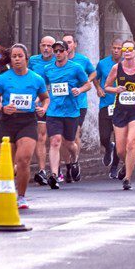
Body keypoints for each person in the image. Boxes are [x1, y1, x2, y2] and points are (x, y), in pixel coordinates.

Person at [0, 44, 49, 209]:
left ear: (26, 58)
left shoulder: (36, 78)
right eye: (14, 56)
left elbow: (45, 97)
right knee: (6, 162)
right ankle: (6, 193)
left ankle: (21, 196)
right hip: (7, 122)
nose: (16, 59)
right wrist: (2, 108)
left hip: (28, 121)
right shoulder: (4, 78)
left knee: (23, 160)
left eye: (19, 56)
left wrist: (43, 108)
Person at [103, 40, 135, 190]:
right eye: (124, 49)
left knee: (131, 143)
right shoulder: (116, 68)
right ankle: (126, 165)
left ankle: (127, 178)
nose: (126, 52)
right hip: (120, 110)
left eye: (129, 49)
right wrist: (116, 90)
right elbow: (106, 86)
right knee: (120, 149)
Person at [43, 40, 92, 188]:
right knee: (55, 141)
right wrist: (42, 99)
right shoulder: (48, 69)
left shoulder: (75, 68)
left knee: (70, 143)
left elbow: (87, 84)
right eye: (55, 51)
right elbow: (43, 86)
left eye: (60, 50)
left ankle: (75, 160)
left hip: (71, 111)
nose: (58, 53)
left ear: (66, 51)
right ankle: (54, 174)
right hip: (53, 111)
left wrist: (79, 90)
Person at [61, 33, 97, 181]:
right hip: (60, 105)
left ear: (75, 44)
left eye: (69, 42)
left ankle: (75, 162)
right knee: (63, 138)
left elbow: (93, 72)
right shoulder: (57, 61)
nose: (67, 45)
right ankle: (68, 166)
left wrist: (86, 81)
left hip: (78, 104)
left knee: (74, 134)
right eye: (64, 43)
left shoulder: (82, 60)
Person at [28, 36, 56, 186]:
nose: (46, 49)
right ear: (40, 46)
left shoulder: (59, 61)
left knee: (58, 139)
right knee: (41, 136)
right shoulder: (33, 60)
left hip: (57, 104)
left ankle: (59, 168)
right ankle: (42, 170)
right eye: (44, 45)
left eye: (49, 46)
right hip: (38, 102)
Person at [95, 38, 124, 178]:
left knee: (119, 139)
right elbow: (95, 76)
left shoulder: (128, 65)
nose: (116, 51)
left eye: (119, 48)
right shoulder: (103, 64)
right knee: (104, 136)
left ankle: (114, 167)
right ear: (111, 48)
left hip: (123, 106)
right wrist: (98, 88)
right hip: (106, 104)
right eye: (115, 48)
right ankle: (108, 148)